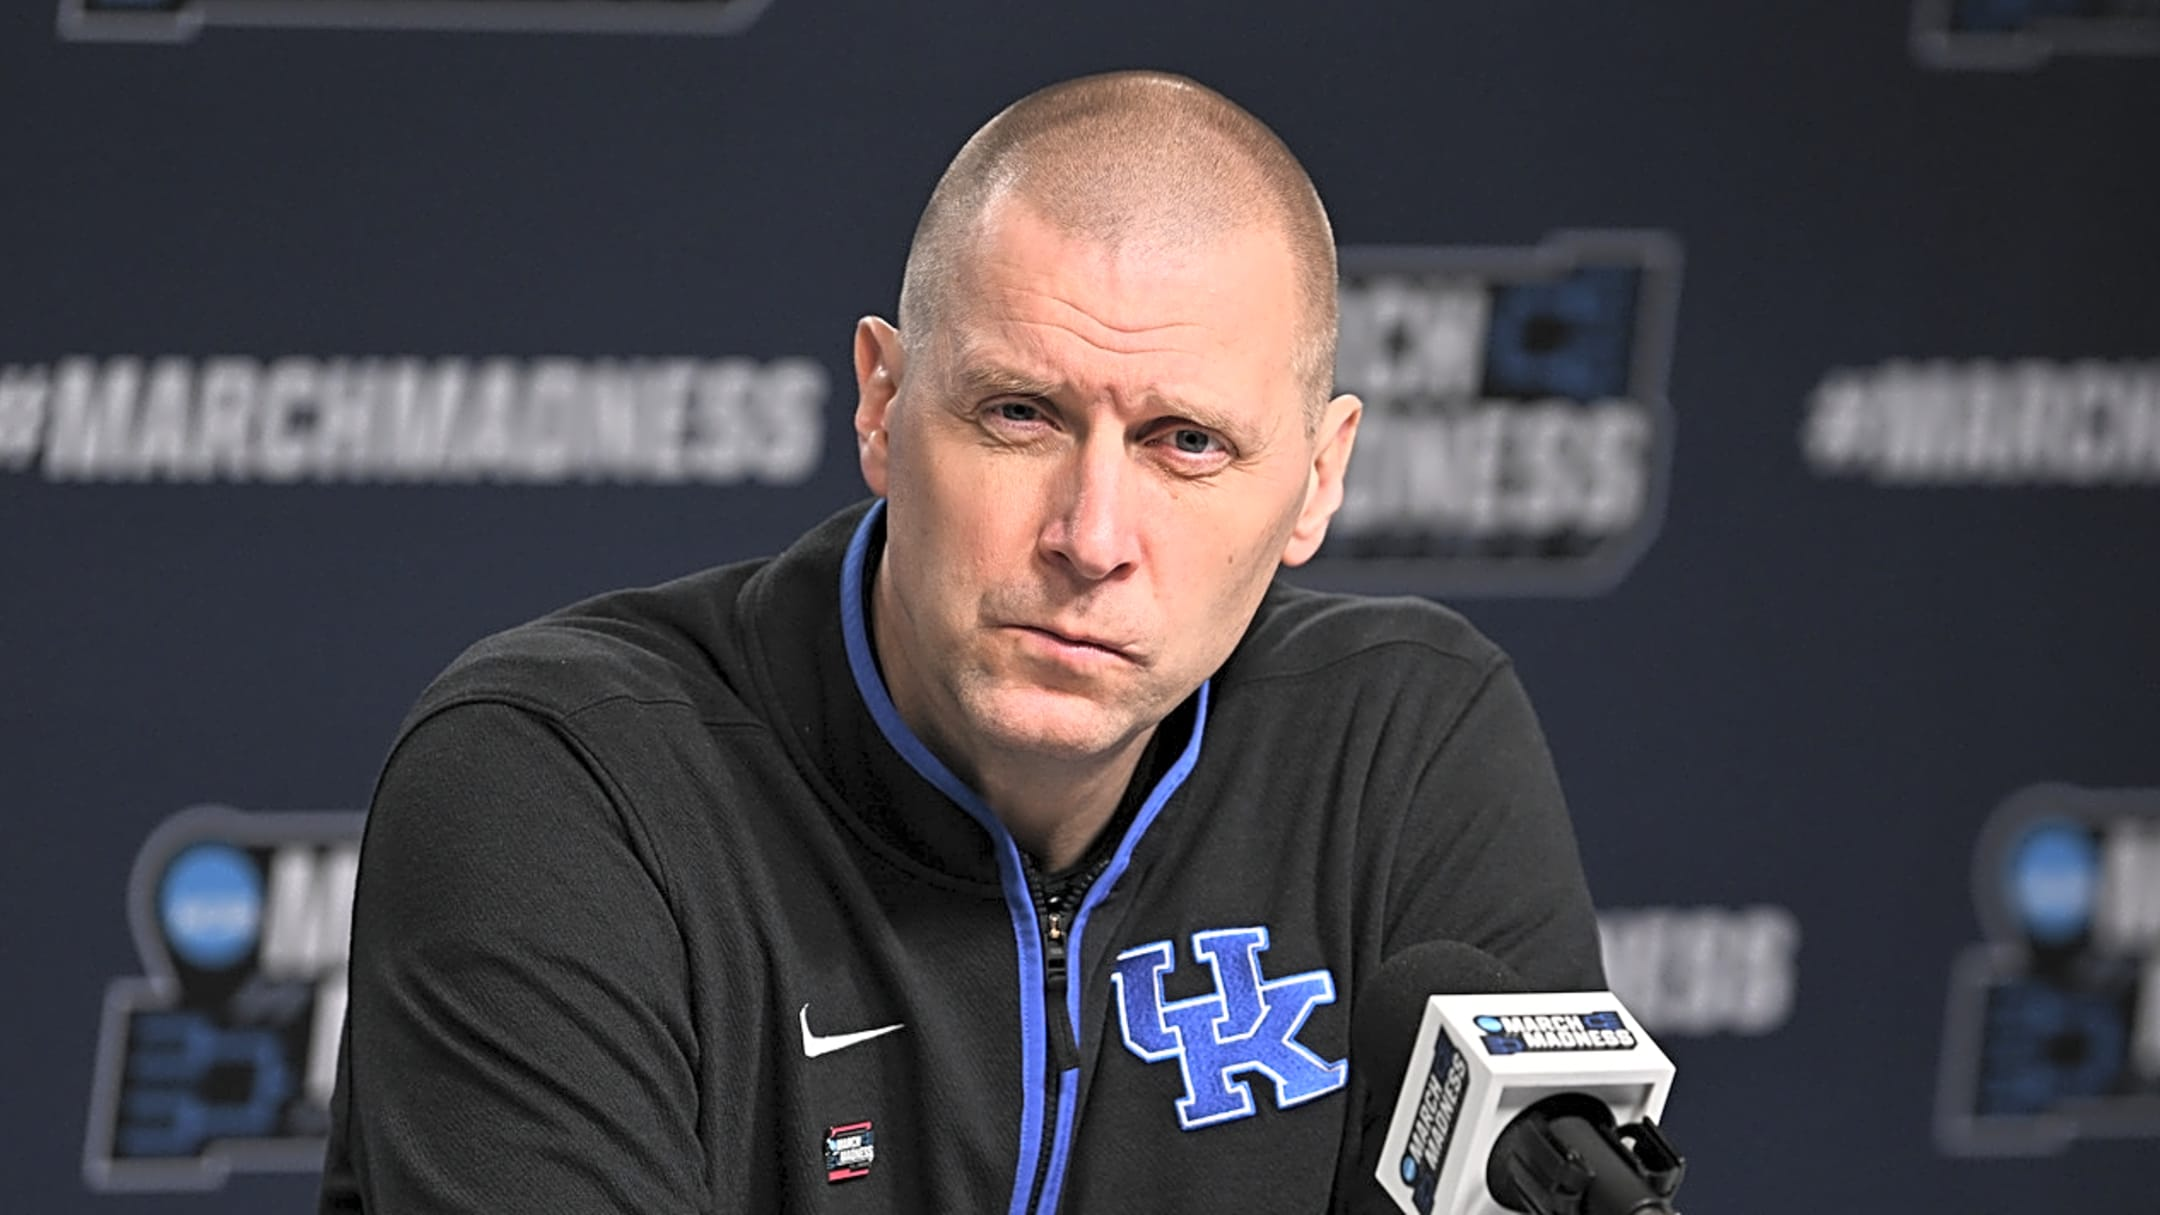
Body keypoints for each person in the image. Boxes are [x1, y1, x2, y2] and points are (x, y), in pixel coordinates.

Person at [319, 70, 1602, 1215]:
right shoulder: (566, 780)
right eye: (1021, 414)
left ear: (1318, 480)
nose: (1092, 536)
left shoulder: (1402, 750)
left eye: (1187, 443)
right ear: (883, 406)